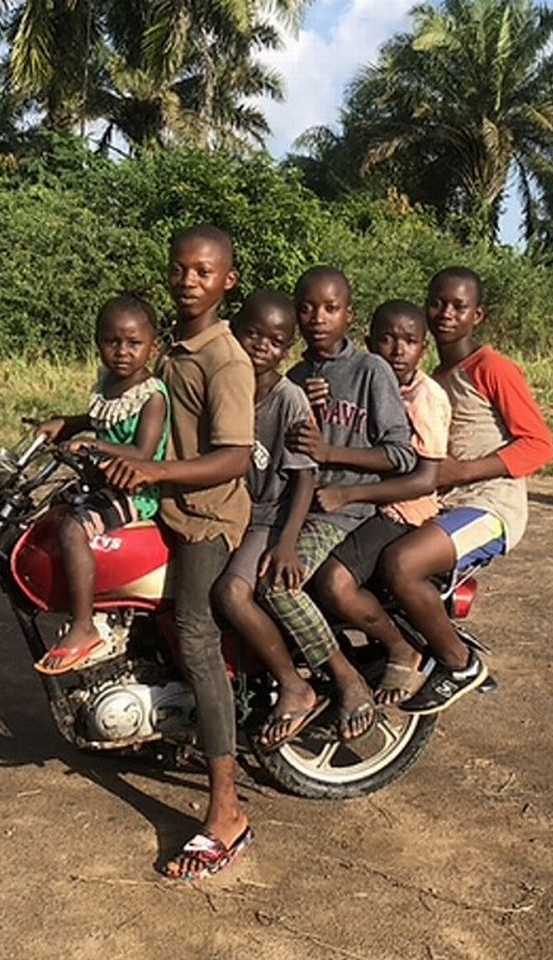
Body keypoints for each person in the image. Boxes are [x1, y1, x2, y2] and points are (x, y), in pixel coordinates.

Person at [102, 225, 255, 881]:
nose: (188, 281)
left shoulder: (226, 359)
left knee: (195, 634)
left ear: (228, 281)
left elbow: (235, 457)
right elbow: (139, 410)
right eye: (179, 269)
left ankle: (227, 812)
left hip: (208, 517)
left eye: (203, 271)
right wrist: (74, 427)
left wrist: (156, 473)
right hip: (167, 506)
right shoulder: (169, 349)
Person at [381, 267, 553, 715]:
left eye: (459, 307)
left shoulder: (491, 368)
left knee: (402, 564)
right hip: (442, 503)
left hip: (489, 505)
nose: (446, 314)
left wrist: (462, 471)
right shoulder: (430, 378)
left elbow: (538, 444)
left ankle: (459, 663)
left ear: (478, 316)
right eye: (438, 303)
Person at [259, 267, 417, 741]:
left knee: (280, 585)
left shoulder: (370, 370)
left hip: (345, 511)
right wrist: (297, 403)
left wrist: (331, 454)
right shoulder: (294, 377)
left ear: (349, 314)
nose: (317, 318)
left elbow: (401, 455)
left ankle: (346, 680)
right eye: (307, 308)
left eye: (330, 308)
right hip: (296, 507)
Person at [309, 299, 452, 705]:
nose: (398, 350)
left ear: (424, 348)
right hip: (364, 504)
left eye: (409, 341)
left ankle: (400, 648)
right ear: (370, 344)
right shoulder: (367, 381)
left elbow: (424, 479)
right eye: (387, 340)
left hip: (400, 510)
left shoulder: (425, 396)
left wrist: (349, 493)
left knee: (334, 582)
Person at [212, 290, 327, 751]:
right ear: (234, 334)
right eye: (252, 334)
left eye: (275, 341)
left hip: (269, 517)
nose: (261, 346)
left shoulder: (289, 400)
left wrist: (287, 542)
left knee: (232, 593)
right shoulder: (226, 385)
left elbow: (304, 478)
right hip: (229, 509)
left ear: (287, 349)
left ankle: (293, 684)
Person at [31, 295, 168, 674]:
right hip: (107, 482)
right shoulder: (109, 383)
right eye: (112, 342)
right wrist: (66, 424)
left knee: (73, 530)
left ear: (152, 346)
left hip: (136, 491)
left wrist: (93, 445)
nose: (122, 352)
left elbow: (142, 452)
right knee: (53, 509)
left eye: (134, 343)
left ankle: (84, 624)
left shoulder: (152, 396)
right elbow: (97, 419)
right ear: (98, 342)